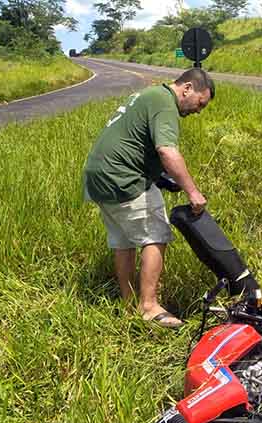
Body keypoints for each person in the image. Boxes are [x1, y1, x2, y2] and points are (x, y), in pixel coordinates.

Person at [83, 68, 215, 328]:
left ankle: (128, 303)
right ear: (187, 88)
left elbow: (137, 143)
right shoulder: (165, 103)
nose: (198, 110)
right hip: (123, 177)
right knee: (156, 235)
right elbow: (166, 150)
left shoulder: (149, 95)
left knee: (124, 241)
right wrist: (192, 191)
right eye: (200, 103)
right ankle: (149, 307)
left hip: (98, 176)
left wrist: (162, 177)